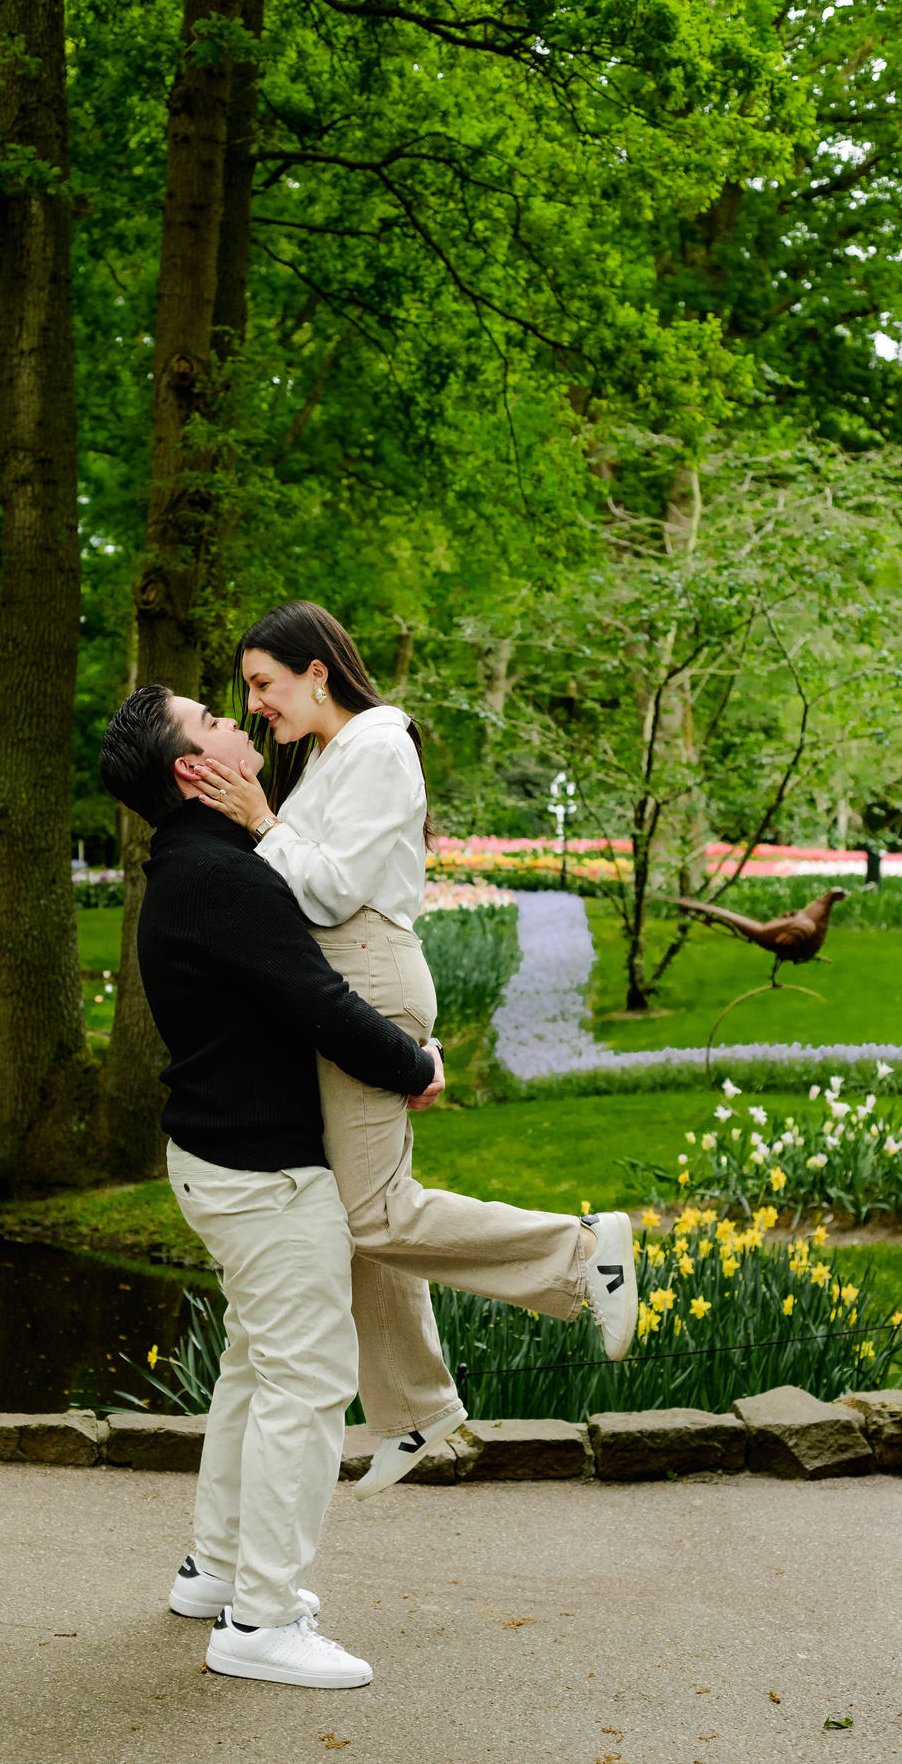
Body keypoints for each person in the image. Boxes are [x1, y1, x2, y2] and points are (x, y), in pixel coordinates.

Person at [193, 601, 637, 1498]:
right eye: (248, 690)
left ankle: (583, 1255)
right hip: (341, 984)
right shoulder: (329, 755)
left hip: (365, 976)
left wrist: (259, 822)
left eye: (263, 684)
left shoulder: (378, 746)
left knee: (377, 1215)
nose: (254, 706)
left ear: (318, 670)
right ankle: (416, 1412)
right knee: (348, 1216)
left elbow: (327, 895)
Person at [98, 684, 444, 1690]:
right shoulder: (222, 878)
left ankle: (216, 1570)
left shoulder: (199, 867)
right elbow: (319, 1003)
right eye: (212, 720)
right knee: (304, 1381)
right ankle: (260, 1620)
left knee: (256, 1367)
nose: (236, 722)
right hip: (263, 1173)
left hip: (226, 1162)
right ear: (192, 772)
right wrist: (415, 1065)